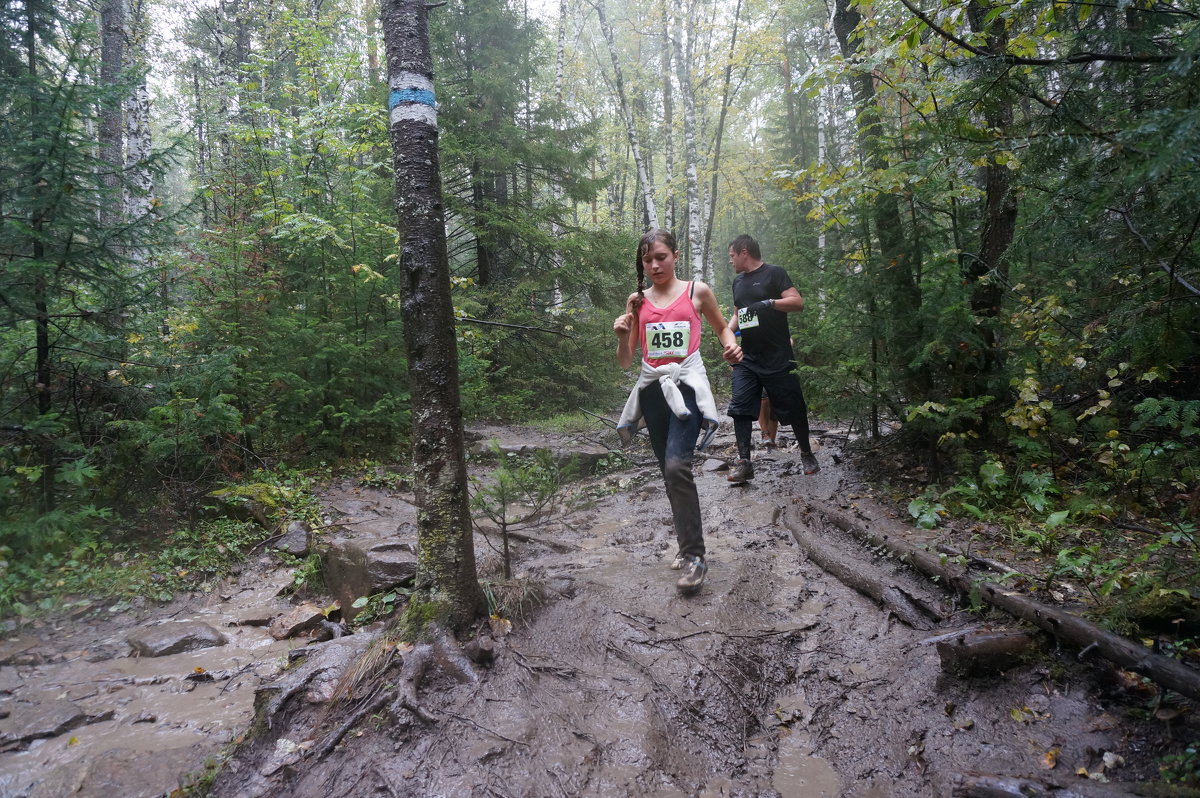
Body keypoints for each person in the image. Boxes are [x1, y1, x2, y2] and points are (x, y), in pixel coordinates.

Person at [614, 229, 742, 593]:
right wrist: (623, 336)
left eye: (661, 257)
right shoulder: (637, 301)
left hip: (687, 387)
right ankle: (686, 545)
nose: (654, 265)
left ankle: (696, 557)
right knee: (668, 472)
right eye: (647, 260)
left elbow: (722, 330)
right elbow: (626, 362)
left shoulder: (696, 292)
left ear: (675, 255)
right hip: (653, 390)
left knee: (676, 465)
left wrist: (731, 348)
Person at [725, 234, 819, 482]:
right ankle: (744, 461)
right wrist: (728, 339)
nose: (731, 260)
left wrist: (770, 303)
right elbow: (736, 316)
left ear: (744, 252)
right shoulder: (737, 282)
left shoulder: (774, 273)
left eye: (732, 255)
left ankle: (807, 453)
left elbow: (797, 302)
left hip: (778, 356)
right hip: (748, 358)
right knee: (741, 406)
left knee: (793, 406)